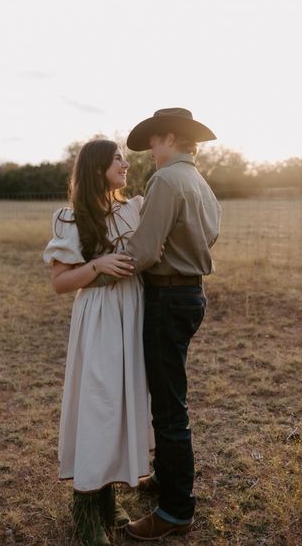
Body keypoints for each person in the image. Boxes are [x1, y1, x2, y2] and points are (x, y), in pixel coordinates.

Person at [43, 139, 153, 546]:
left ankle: (107, 497)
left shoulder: (133, 208)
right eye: (118, 158)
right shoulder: (71, 218)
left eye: (124, 157)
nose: (126, 163)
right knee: (98, 405)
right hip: (101, 317)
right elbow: (59, 283)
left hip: (134, 313)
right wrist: (97, 264)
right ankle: (85, 507)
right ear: (96, 168)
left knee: (123, 404)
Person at [122, 108, 222, 541]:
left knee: (168, 406)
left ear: (168, 138)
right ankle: (166, 479)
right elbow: (211, 233)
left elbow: (143, 251)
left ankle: (176, 511)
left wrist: (95, 265)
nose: (150, 154)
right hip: (190, 293)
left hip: (167, 295)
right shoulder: (199, 180)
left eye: (153, 144)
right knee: (168, 395)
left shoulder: (166, 180)